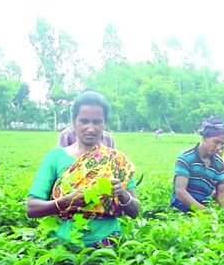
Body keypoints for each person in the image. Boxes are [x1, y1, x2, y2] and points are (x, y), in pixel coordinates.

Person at [26, 91, 140, 247]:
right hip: (62, 245)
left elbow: (135, 211)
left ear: (104, 123)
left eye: (97, 122)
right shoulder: (55, 157)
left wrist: (122, 193)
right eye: (84, 121)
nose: (91, 128)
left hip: (107, 245)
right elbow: (32, 208)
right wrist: (65, 201)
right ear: (74, 121)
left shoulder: (117, 160)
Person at [170, 116, 224, 212]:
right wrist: (203, 211)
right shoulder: (186, 157)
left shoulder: (218, 164)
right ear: (205, 137)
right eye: (216, 142)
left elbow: (222, 193)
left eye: (222, 144)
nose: (219, 148)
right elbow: (180, 192)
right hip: (179, 211)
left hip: (204, 211)